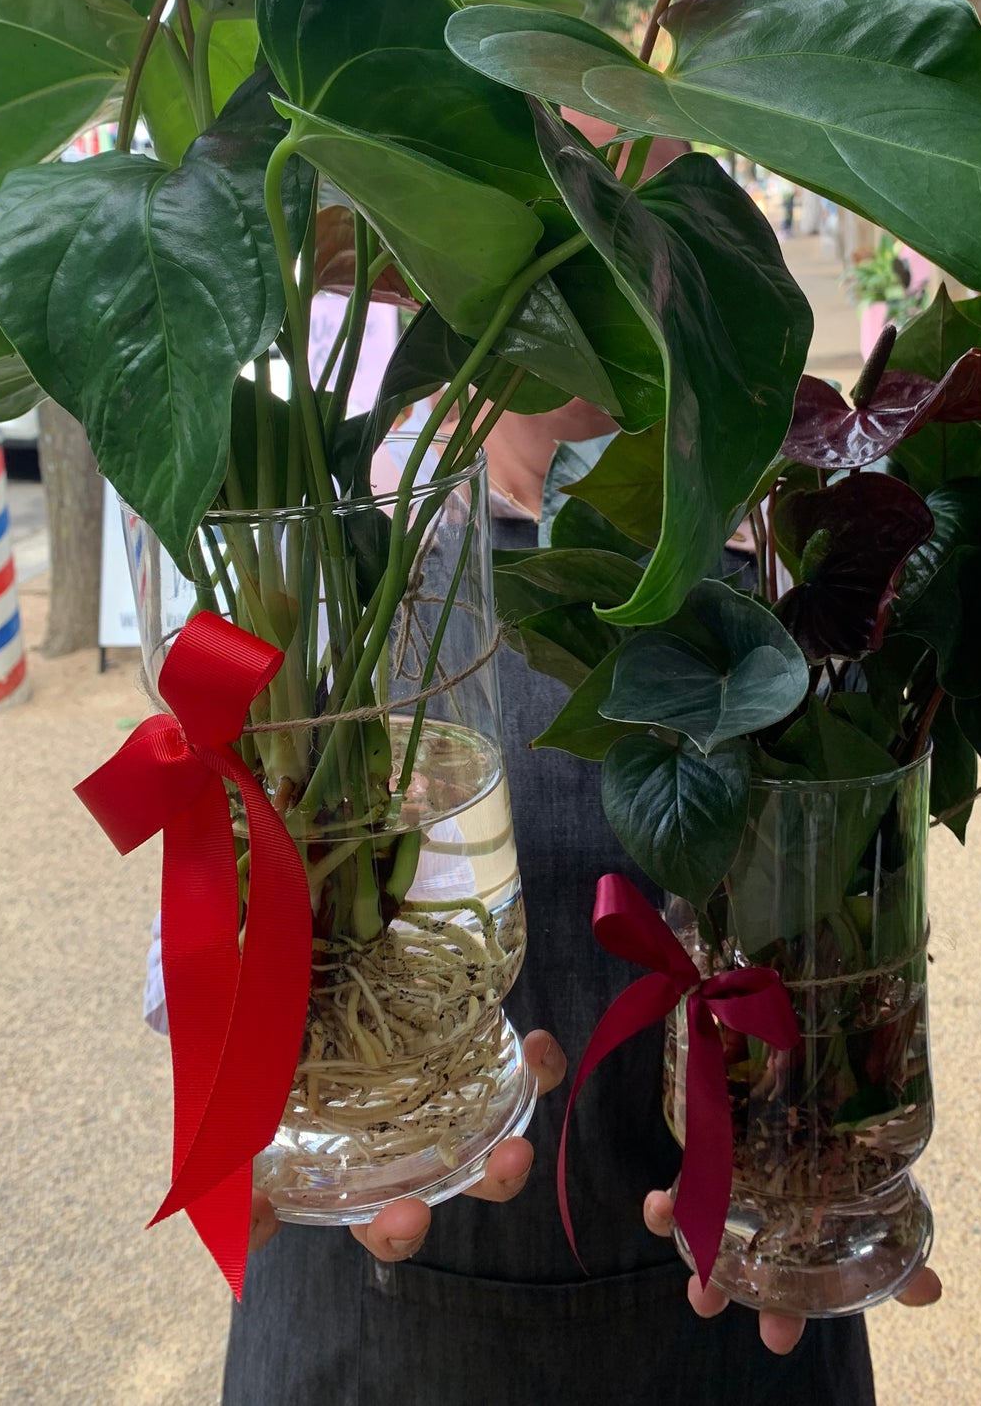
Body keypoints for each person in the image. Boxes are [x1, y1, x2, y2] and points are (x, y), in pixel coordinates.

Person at [221, 124, 940, 1406]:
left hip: (715, 1311)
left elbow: (851, 945)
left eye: (643, 235)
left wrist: (836, 1159)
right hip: (382, 1311)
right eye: (549, 224)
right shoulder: (350, 588)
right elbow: (213, 929)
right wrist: (238, 1084)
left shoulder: (785, 604)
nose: (595, 264)